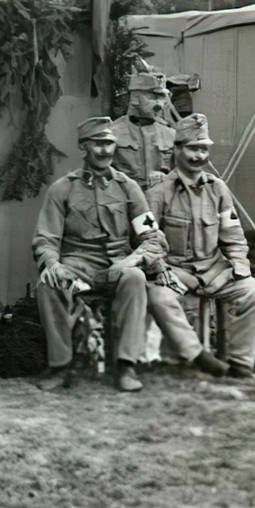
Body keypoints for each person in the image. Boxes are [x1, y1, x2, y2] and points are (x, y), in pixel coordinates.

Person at [31, 116, 167, 391]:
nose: (105, 150)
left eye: (109, 144)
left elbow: (152, 237)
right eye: (98, 144)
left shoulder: (128, 188)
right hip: (77, 264)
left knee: (135, 279)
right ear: (84, 147)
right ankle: (60, 366)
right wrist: (53, 265)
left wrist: (132, 261)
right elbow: (46, 238)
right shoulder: (63, 189)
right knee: (48, 283)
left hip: (118, 264)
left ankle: (126, 367)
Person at [144, 114, 255, 380]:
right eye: (192, 148)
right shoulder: (158, 193)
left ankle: (240, 365)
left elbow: (233, 235)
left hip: (214, 270)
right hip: (177, 272)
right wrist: (159, 268)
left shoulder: (218, 189)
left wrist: (239, 268)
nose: (199, 156)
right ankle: (199, 358)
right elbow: (148, 239)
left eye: (203, 149)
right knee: (158, 297)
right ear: (176, 149)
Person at [111, 71, 175, 187]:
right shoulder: (113, 133)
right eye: (152, 97)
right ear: (135, 98)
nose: (159, 104)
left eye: (161, 97)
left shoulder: (171, 135)